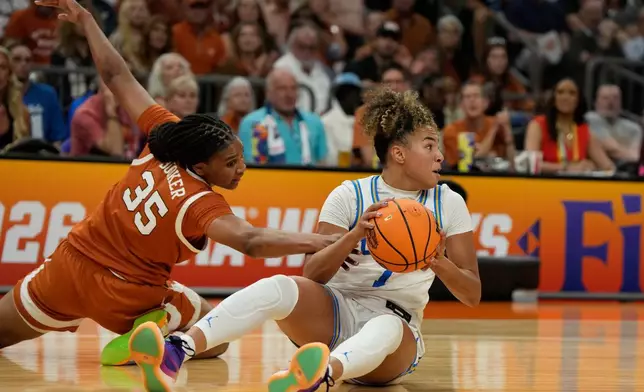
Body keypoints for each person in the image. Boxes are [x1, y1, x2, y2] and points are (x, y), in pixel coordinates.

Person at [0, 0, 339, 366]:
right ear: (200, 164)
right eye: (230, 162)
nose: (241, 168)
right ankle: (158, 325)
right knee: (214, 338)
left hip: (68, 267)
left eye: (240, 156)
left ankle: (148, 329)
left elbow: (116, 77)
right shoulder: (198, 202)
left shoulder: (165, 136)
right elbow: (251, 241)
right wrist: (318, 240)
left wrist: (86, 20)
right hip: (129, 294)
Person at [128, 88, 481, 391]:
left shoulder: (448, 203)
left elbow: (472, 294)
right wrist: (355, 235)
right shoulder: (349, 195)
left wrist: (437, 259)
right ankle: (177, 349)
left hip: (395, 337)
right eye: (430, 145)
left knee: (386, 325)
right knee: (280, 285)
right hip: (333, 313)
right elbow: (312, 274)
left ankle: (322, 374)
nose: (440, 155)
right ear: (399, 153)